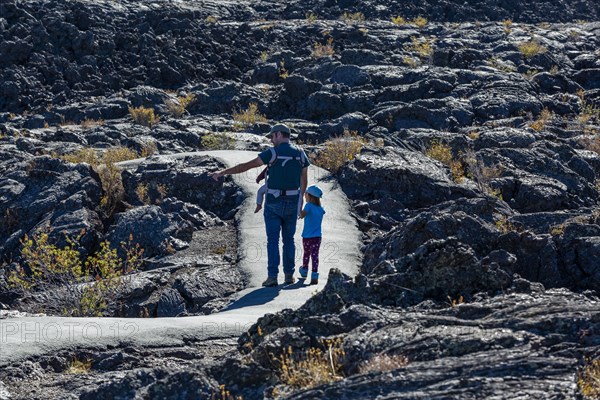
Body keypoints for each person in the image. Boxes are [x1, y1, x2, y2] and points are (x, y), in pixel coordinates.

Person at [209, 123, 310, 287]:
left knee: (272, 241)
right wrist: (301, 202)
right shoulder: (300, 154)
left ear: (278, 134)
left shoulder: (272, 153)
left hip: (273, 203)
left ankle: (272, 277)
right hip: (293, 202)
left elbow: (246, 166)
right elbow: (304, 180)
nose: (271, 140)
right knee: (289, 240)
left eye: (272, 136)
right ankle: (289, 276)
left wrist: (222, 173)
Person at [299, 185, 325, 285]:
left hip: (306, 236)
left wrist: (300, 211)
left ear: (310, 196)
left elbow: (302, 215)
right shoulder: (320, 209)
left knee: (306, 253)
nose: (305, 196)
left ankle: (304, 270)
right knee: (315, 255)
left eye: (306, 194)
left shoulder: (308, 206)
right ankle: (314, 275)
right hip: (317, 236)